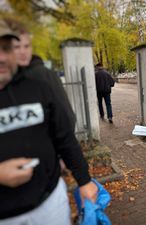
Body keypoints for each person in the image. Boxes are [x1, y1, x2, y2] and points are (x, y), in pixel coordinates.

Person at [0, 19, 97, 224]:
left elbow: (64, 135)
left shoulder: (38, 86)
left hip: (50, 204)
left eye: (6, 48)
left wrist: (84, 180)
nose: (2, 57)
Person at [4, 18, 76, 131]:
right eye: (17, 47)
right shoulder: (7, 78)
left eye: (27, 46)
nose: (23, 52)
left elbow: (66, 118)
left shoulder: (44, 75)